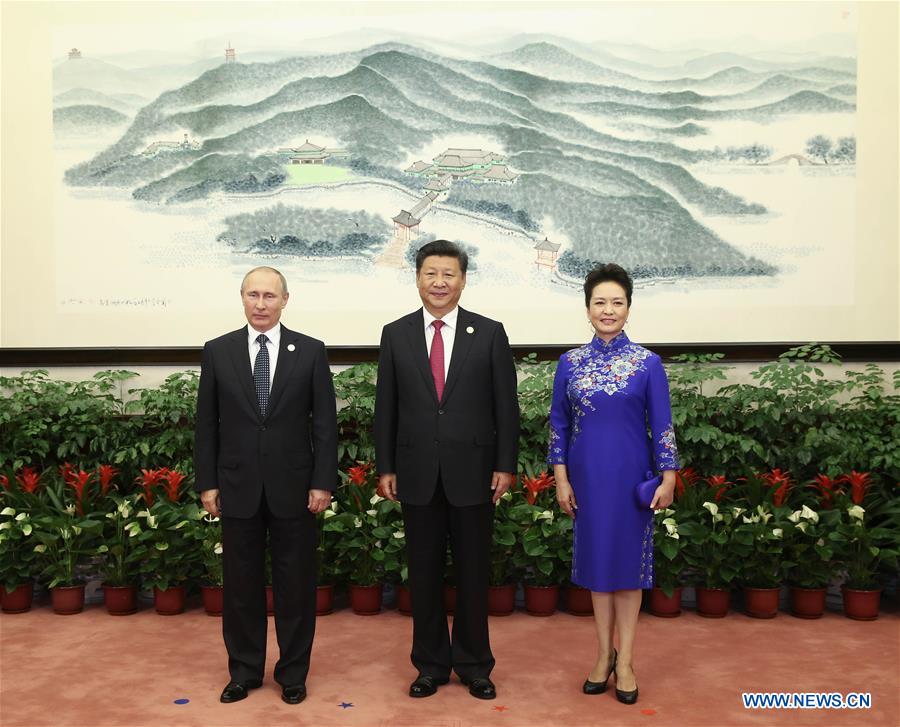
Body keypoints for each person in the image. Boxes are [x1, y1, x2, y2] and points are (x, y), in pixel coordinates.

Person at [374, 239, 520, 701]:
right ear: (417, 278)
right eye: (430, 273)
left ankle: (476, 665)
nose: (439, 282)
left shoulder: (490, 332)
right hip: (416, 471)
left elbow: (506, 408)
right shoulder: (395, 334)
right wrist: (386, 466)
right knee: (423, 574)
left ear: (462, 279)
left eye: (449, 274)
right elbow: (386, 409)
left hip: (475, 472)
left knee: (475, 575)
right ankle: (431, 665)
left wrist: (505, 465)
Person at [194, 266, 337, 706]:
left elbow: (326, 426)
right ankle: (244, 672)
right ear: (242, 298)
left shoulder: (310, 351)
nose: (261, 304)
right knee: (240, 588)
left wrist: (322, 482)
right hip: (236, 487)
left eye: (269, 296)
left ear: (285, 300)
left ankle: (293, 674)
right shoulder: (218, 351)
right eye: (253, 295)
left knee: (296, 587)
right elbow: (206, 425)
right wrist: (208, 482)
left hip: (295, 489)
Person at [549, 263, 679, 705]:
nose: (608, 310)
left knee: (627, 573)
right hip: (585, 482)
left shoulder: (648, 364)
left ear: (628, 308)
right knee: (598, 573)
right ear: (587, 309)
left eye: (617, 302)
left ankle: (626, 661)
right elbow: (558, 428)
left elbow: (662, 425)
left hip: (630, 481)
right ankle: (603, 655)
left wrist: (670, 477)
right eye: (600, 302)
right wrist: (561, 480)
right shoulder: (569, 363)